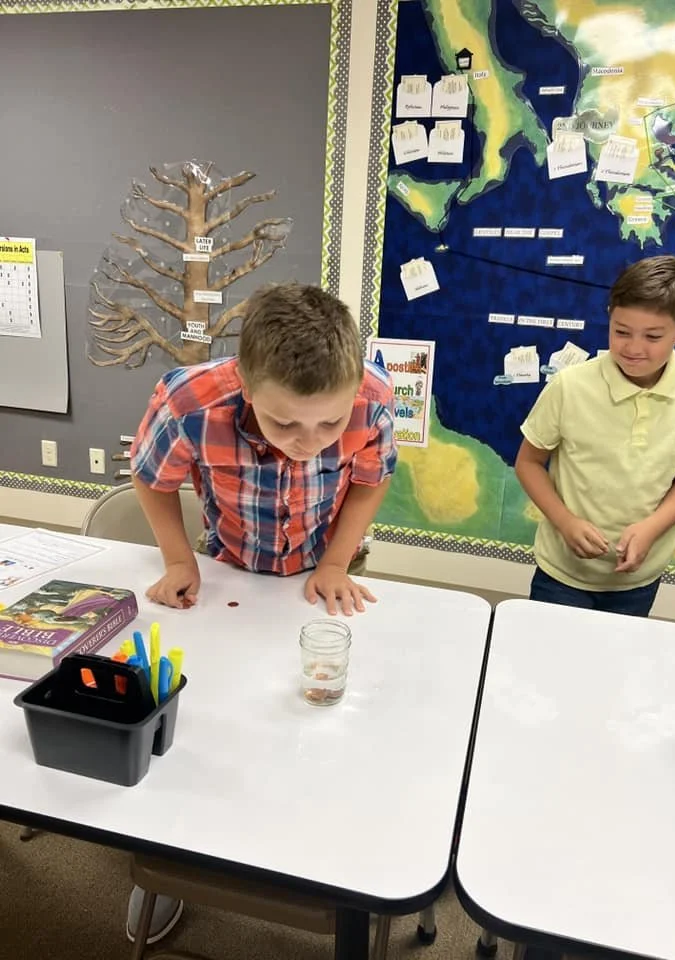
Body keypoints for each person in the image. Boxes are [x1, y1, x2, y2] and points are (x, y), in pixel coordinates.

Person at [125, 282, 396, 944]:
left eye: (329, 424)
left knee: (311, 715)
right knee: (210, 718)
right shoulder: (189, 401)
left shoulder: (374, 394)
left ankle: (307, 841)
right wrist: (179, 560)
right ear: (244, 381)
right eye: (284, 423)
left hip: (322, 564)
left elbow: (372, 479)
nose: (309, 442)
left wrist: (333, 563)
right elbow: (150, 478)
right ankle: (166, 861)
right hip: (228, 565)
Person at [515, 254, 675, 618]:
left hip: (639, 578)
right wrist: (565, 522)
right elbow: (529, 462)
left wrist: (651, 528)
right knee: (548, 665)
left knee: (616, 667)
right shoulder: (570, 385)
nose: (633, 348)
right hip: (562, 575)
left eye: (653, 336)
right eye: (621, 331)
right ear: (609, 316)